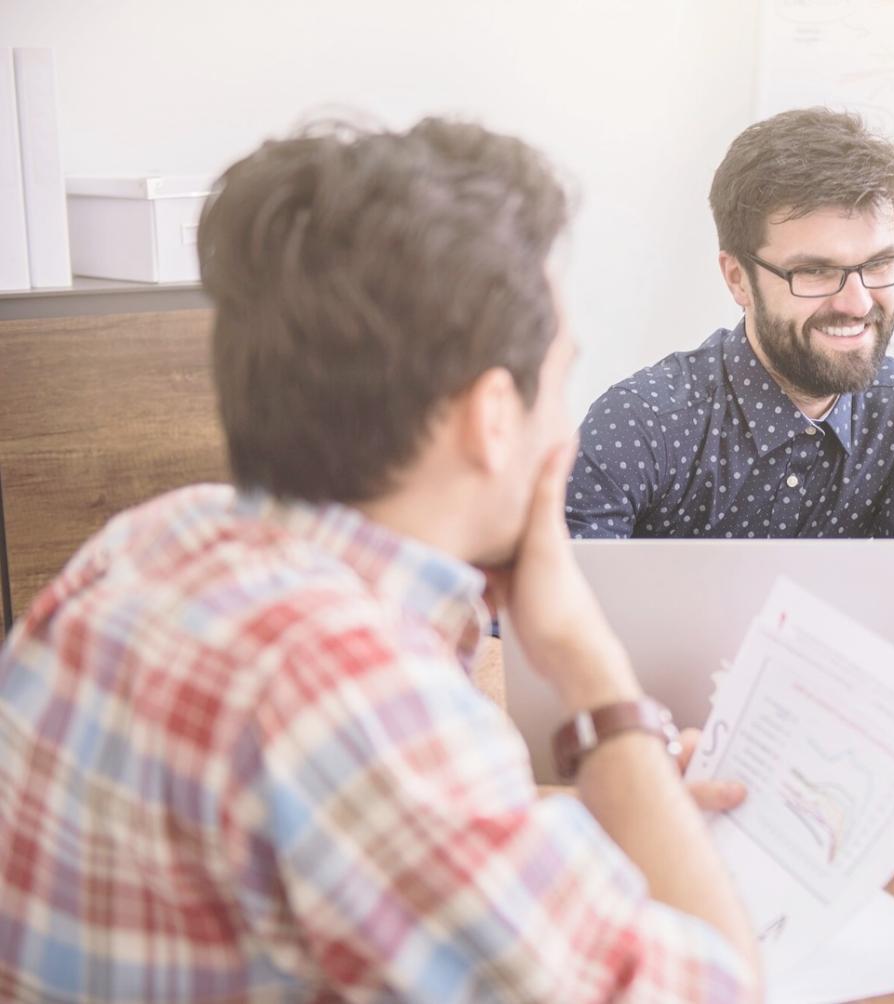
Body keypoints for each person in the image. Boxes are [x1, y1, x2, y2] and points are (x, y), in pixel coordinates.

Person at [0, 119, 759, 1001]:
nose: (569, 427)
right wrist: (593, 675)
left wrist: (611, 821)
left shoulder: (147, 540)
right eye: (562, 381)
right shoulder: (351, 692)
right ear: (493, 419)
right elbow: (718, 990)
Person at [564, 108, 894, 778]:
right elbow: (531, 636)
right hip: (663, 780)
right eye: (815, 272)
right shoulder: (640, 424)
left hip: (860, 772)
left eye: (879, 264)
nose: (857, 302)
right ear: (737, 278)